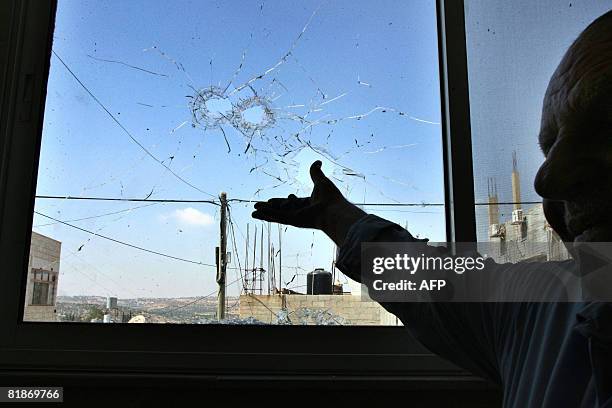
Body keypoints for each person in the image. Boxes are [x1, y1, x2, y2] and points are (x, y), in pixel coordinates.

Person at [252, 10, 612, 408]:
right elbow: (430, 283)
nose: (547, 180)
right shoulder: (551, 307)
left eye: (605, 125)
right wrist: (334, 216)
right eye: (551, 147)